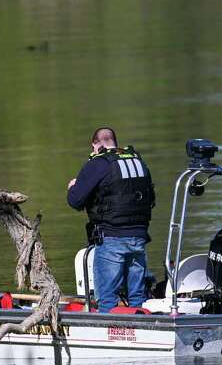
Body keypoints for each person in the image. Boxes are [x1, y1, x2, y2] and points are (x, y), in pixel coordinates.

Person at [66, 127, 155, 312]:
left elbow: (75, 201)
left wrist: (73, 187)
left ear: (95, 145)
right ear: (115, 141)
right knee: (137, 300)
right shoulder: (138, 160)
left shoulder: (99, 163)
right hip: (139, 237)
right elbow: (151, 199)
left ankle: (110, 334)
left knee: (107, 301)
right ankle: (140, 332)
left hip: (111, 238)